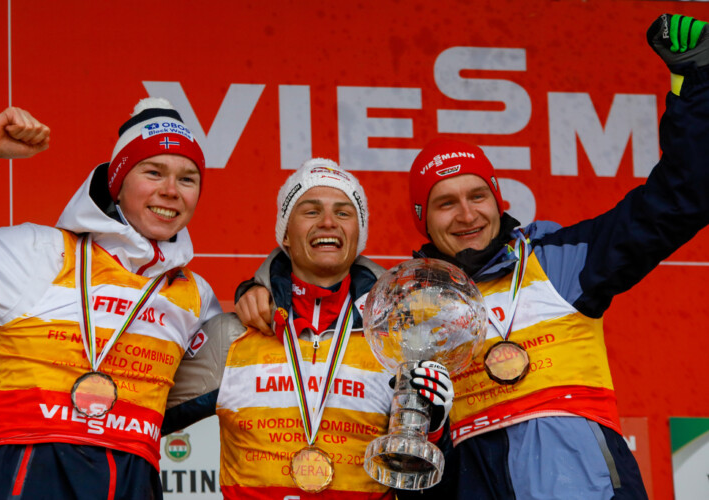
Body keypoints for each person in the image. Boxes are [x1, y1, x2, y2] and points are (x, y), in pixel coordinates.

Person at [234, 13, 709, 499]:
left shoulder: (563, 260)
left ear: (498, 200)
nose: (466, 215)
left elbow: (680, 199)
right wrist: (259, 287)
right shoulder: (406, 306)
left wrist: (695, 83)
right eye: (445, 202)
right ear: (423, 219)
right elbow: (323, 288)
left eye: (477, 196)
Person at [0, 98, 221, 500]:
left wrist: (259, 285)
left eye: (188, 179)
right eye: (153, 172)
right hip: (28, 476)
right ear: (118, 183)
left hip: (133, 482)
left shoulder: (195, 295)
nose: (171, 191)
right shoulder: (43, 253)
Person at [164, 158, 455, 499]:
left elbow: (424, 487)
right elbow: (134, 418)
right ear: (285, 234)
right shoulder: (232, 334)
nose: (328, 222)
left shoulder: (398, 339)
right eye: (311, 211)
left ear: (358, 235)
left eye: (344, 213)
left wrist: (434, 430)